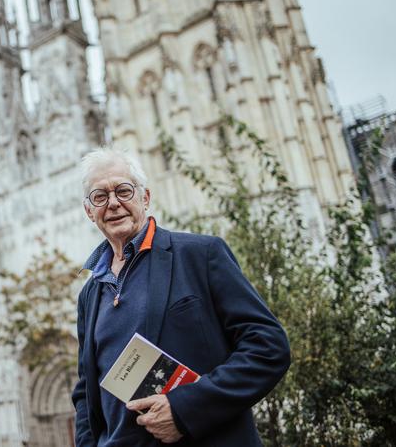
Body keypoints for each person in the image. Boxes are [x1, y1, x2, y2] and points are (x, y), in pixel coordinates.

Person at [72, 148, 291, 446]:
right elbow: (86, 392)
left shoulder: (201, 255)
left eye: (123, 190)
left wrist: (184, 410)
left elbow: (268, 347)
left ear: (145, 198)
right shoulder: (89, 294)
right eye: (100, 196)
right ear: (89, 211)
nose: (113, 203)